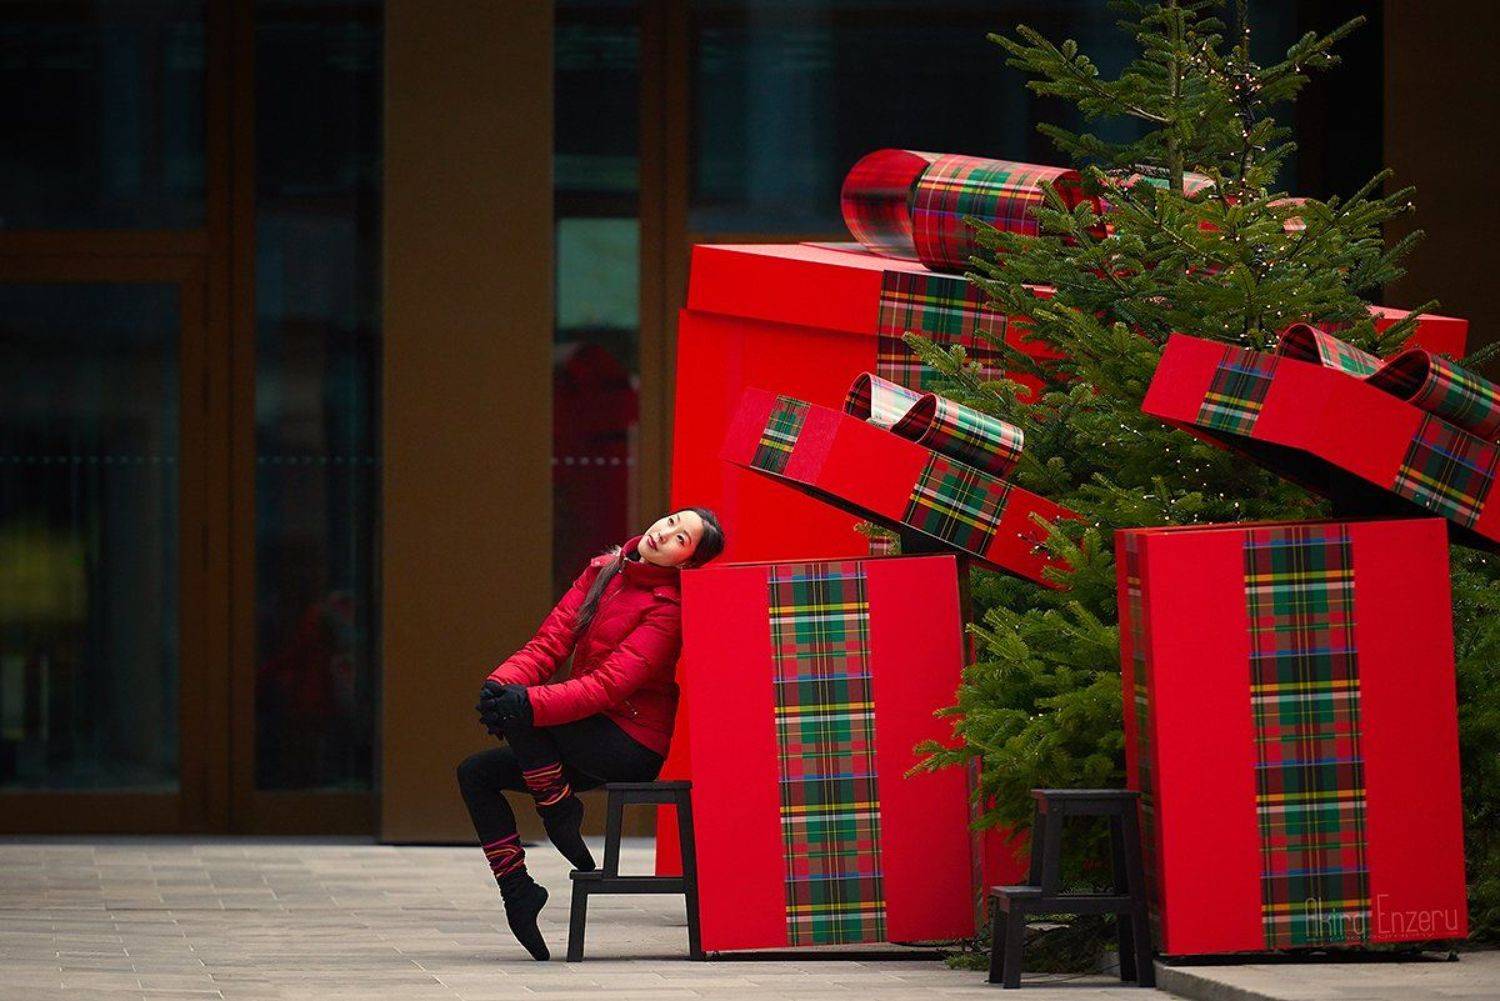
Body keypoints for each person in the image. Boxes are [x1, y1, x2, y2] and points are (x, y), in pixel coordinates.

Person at [456, 507, 725, 960]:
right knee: (475, 773)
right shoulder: (602, 571)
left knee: (524, 710)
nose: (666, 533)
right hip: (579, 734)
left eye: (682, 539)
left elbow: (607, 687)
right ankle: (519, 890)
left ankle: (559, 810)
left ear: (687, 563)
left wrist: (522, 704)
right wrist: (498, 685)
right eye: (671, 521)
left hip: (628, 743)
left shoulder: (668, 609)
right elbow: (549, 644)